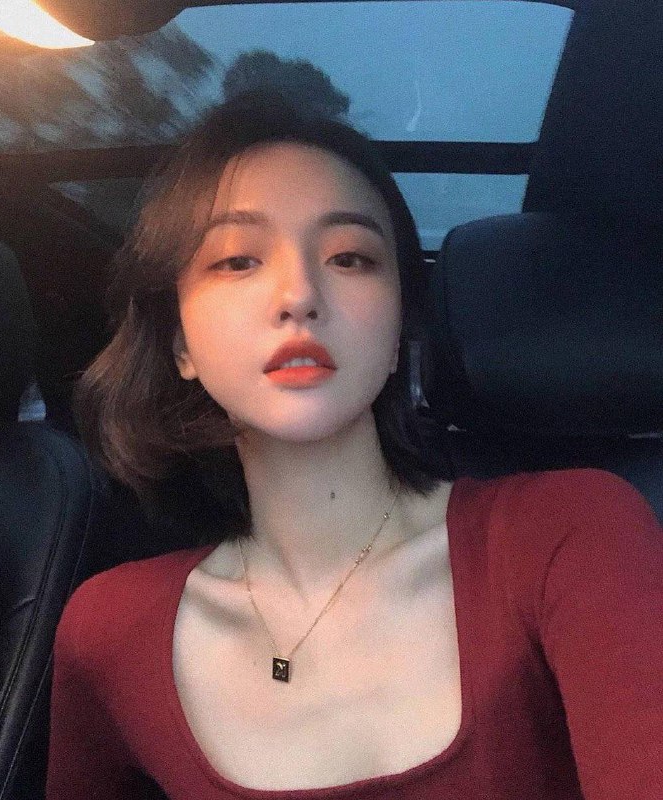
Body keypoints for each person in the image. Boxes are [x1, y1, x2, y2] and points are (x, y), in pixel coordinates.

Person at [46, 91, 663, 800]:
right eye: (238, 260)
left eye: (349, 257)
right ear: (180, 342)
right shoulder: (106, 631)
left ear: (398, 331)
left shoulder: (571, 533)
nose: (299, 295)